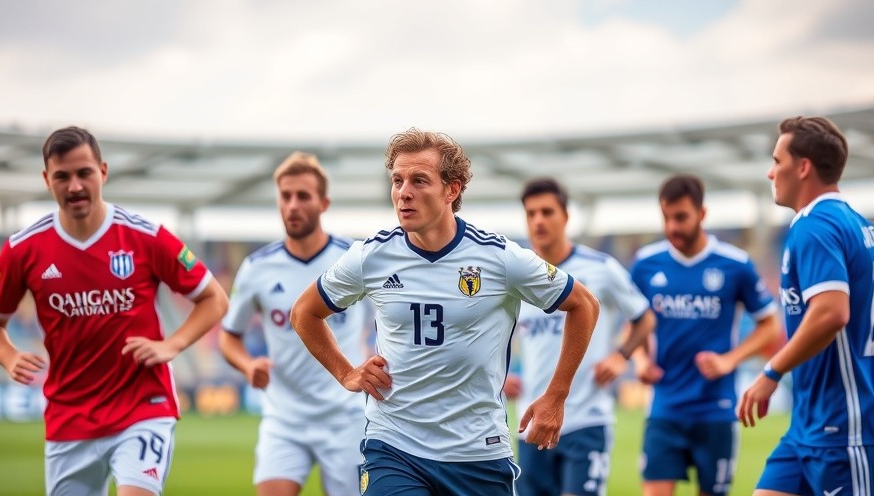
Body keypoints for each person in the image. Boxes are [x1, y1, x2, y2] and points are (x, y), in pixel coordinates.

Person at [289, 128, 601, 496]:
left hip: (477, 453)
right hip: (394, 446)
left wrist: (556, 395)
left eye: (419, 181)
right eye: (397, 180)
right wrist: (346, 373)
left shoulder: (498, 257)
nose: (404, 192)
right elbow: (304, 312)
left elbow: (583, 304)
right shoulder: (371, 257)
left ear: (451, 190)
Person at [0, 126, 229, 496]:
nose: (74, 186)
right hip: (69, 418)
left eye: (84, 173)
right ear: (46, 179)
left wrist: (174, 344)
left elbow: (214, 297)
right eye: (62, 176)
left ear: (102, 172)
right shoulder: (23, 249)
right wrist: (7, 355)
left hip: (142, 408)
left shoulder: (146, 236)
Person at [738, 116, 874, 495]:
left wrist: (771, 372)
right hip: (808, 426)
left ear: (803, 167)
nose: (770, 173)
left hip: (843, 427)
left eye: (777, 161)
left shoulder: (815, 226)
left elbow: (832, 312)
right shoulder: (854, 222)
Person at [219, 151, 367, 496]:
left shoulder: (354, 259)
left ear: (324, 203)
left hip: (345, 416)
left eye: (303, 196)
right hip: (284, 418)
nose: (293, 205)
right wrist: (247, 364)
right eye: (285, 196)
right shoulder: (257, 267)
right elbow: (229, 337)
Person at [503, 178, 656, 496]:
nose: (539, 221)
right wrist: (501, 377)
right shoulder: (518, 274)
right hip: (532, 423)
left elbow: (644, 318)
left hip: (586, 419)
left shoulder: (601, 268)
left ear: (566, 217)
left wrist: (620, 356)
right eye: (531, 214)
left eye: (547, 212)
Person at [630, 174, 779, 496]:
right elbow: (634, 321)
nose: (672, 227)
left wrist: (730, 360)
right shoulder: (645, 264)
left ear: (702, 213)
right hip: (665, 406)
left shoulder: (734, 265)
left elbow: (770, 324)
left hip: (716, 407)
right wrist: (640, 359)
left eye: (681, 217)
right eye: (667, 218)